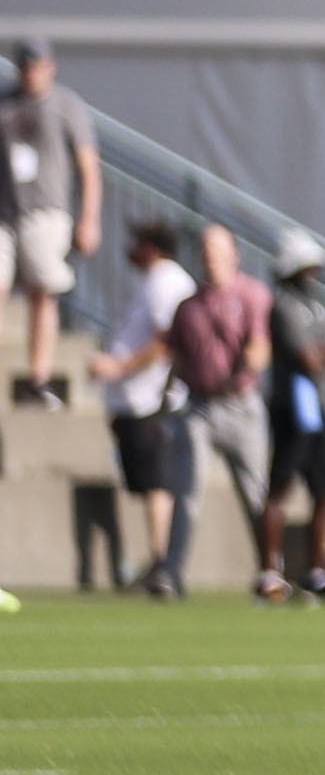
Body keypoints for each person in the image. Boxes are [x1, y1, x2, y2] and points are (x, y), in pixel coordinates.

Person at [94, 220, 198, 598]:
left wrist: (119, 367)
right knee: (147, 482)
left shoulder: (167, 282)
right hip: (136, 402)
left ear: (152, 246)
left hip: (151, 402)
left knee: (158, 482)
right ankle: (159, 562)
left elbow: (164, 341)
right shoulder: (154, 280)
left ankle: (162, 563)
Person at [172, 226, 273, 603]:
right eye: (206, 253)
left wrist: (248, 364)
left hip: (239, 404)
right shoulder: (189, 305)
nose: (212, 260)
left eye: (219, 252)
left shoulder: (251, 295)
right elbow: (177, 354)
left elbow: (260, 345)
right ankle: (171, 571)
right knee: (186, 491)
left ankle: (270, 570)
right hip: (199, 405)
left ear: (234, 256)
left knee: (255, 493)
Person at [259, 231, 325, 600]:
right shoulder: (283, 306)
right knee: (280, 486)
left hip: (315, 408)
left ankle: (317, 570)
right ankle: (270, 571)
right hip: (292, 406)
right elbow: (309, 358)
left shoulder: (317, 308)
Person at [6, 38, 101, 407]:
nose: (31, 73)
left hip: (46, 210)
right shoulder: (6, 102)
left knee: (41, 292)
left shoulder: (66, 106)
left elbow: (88, 167)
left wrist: (88, 218)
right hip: (5, 211)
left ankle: (38, 377)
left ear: (50, 66)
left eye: (37, 65)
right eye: (25, 66)